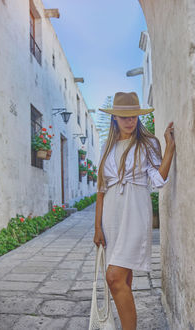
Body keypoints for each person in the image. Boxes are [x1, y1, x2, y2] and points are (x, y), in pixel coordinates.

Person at [93, 92, 176, 330]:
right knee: (124, 279)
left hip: (136, 212)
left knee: (114, 278)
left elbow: (158, 181)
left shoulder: (147, 144)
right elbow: (101, 189)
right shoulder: (106, 148)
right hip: (112, 216)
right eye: (124, 117)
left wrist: (169, 148)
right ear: (115, 119)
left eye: (134, 117)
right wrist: (97, 227)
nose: (130, 121)